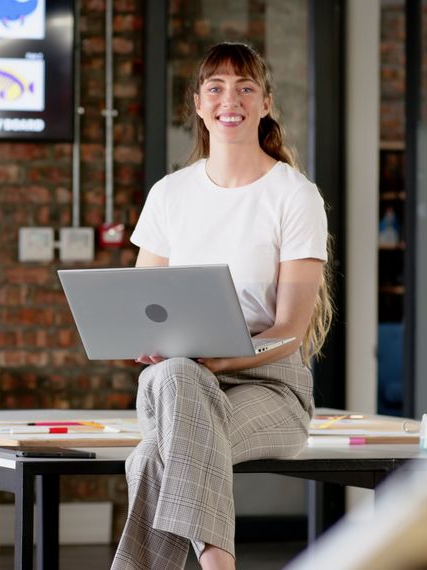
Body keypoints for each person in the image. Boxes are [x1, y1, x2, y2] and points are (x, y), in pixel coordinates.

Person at [112, 42, 333, 570]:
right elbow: (144, 307)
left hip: (269, 387)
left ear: (265, 103)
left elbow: (289, 332)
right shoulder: (169, 194)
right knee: (176, 378)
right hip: (179, 384)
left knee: (151, 455)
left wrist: (223, 360)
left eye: (245, 87)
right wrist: (151, 345)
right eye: (215, 87)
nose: (228, 99)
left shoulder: (294, 196)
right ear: (197, 103)